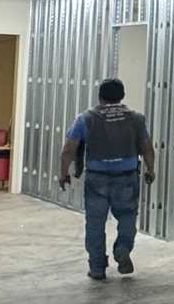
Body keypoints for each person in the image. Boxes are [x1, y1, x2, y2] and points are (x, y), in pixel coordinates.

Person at [60, 78, 156, 281]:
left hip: (97, 179)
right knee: (127, 217)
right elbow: (147, 146)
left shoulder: (86, 118)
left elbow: (69, 149)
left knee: (95, 223)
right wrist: (151, 168)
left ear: (100, 96)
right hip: (126, 177)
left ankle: (97, 268)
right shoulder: (136, 119)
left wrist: (64, 173)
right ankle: (122, 248)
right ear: (122, 95)